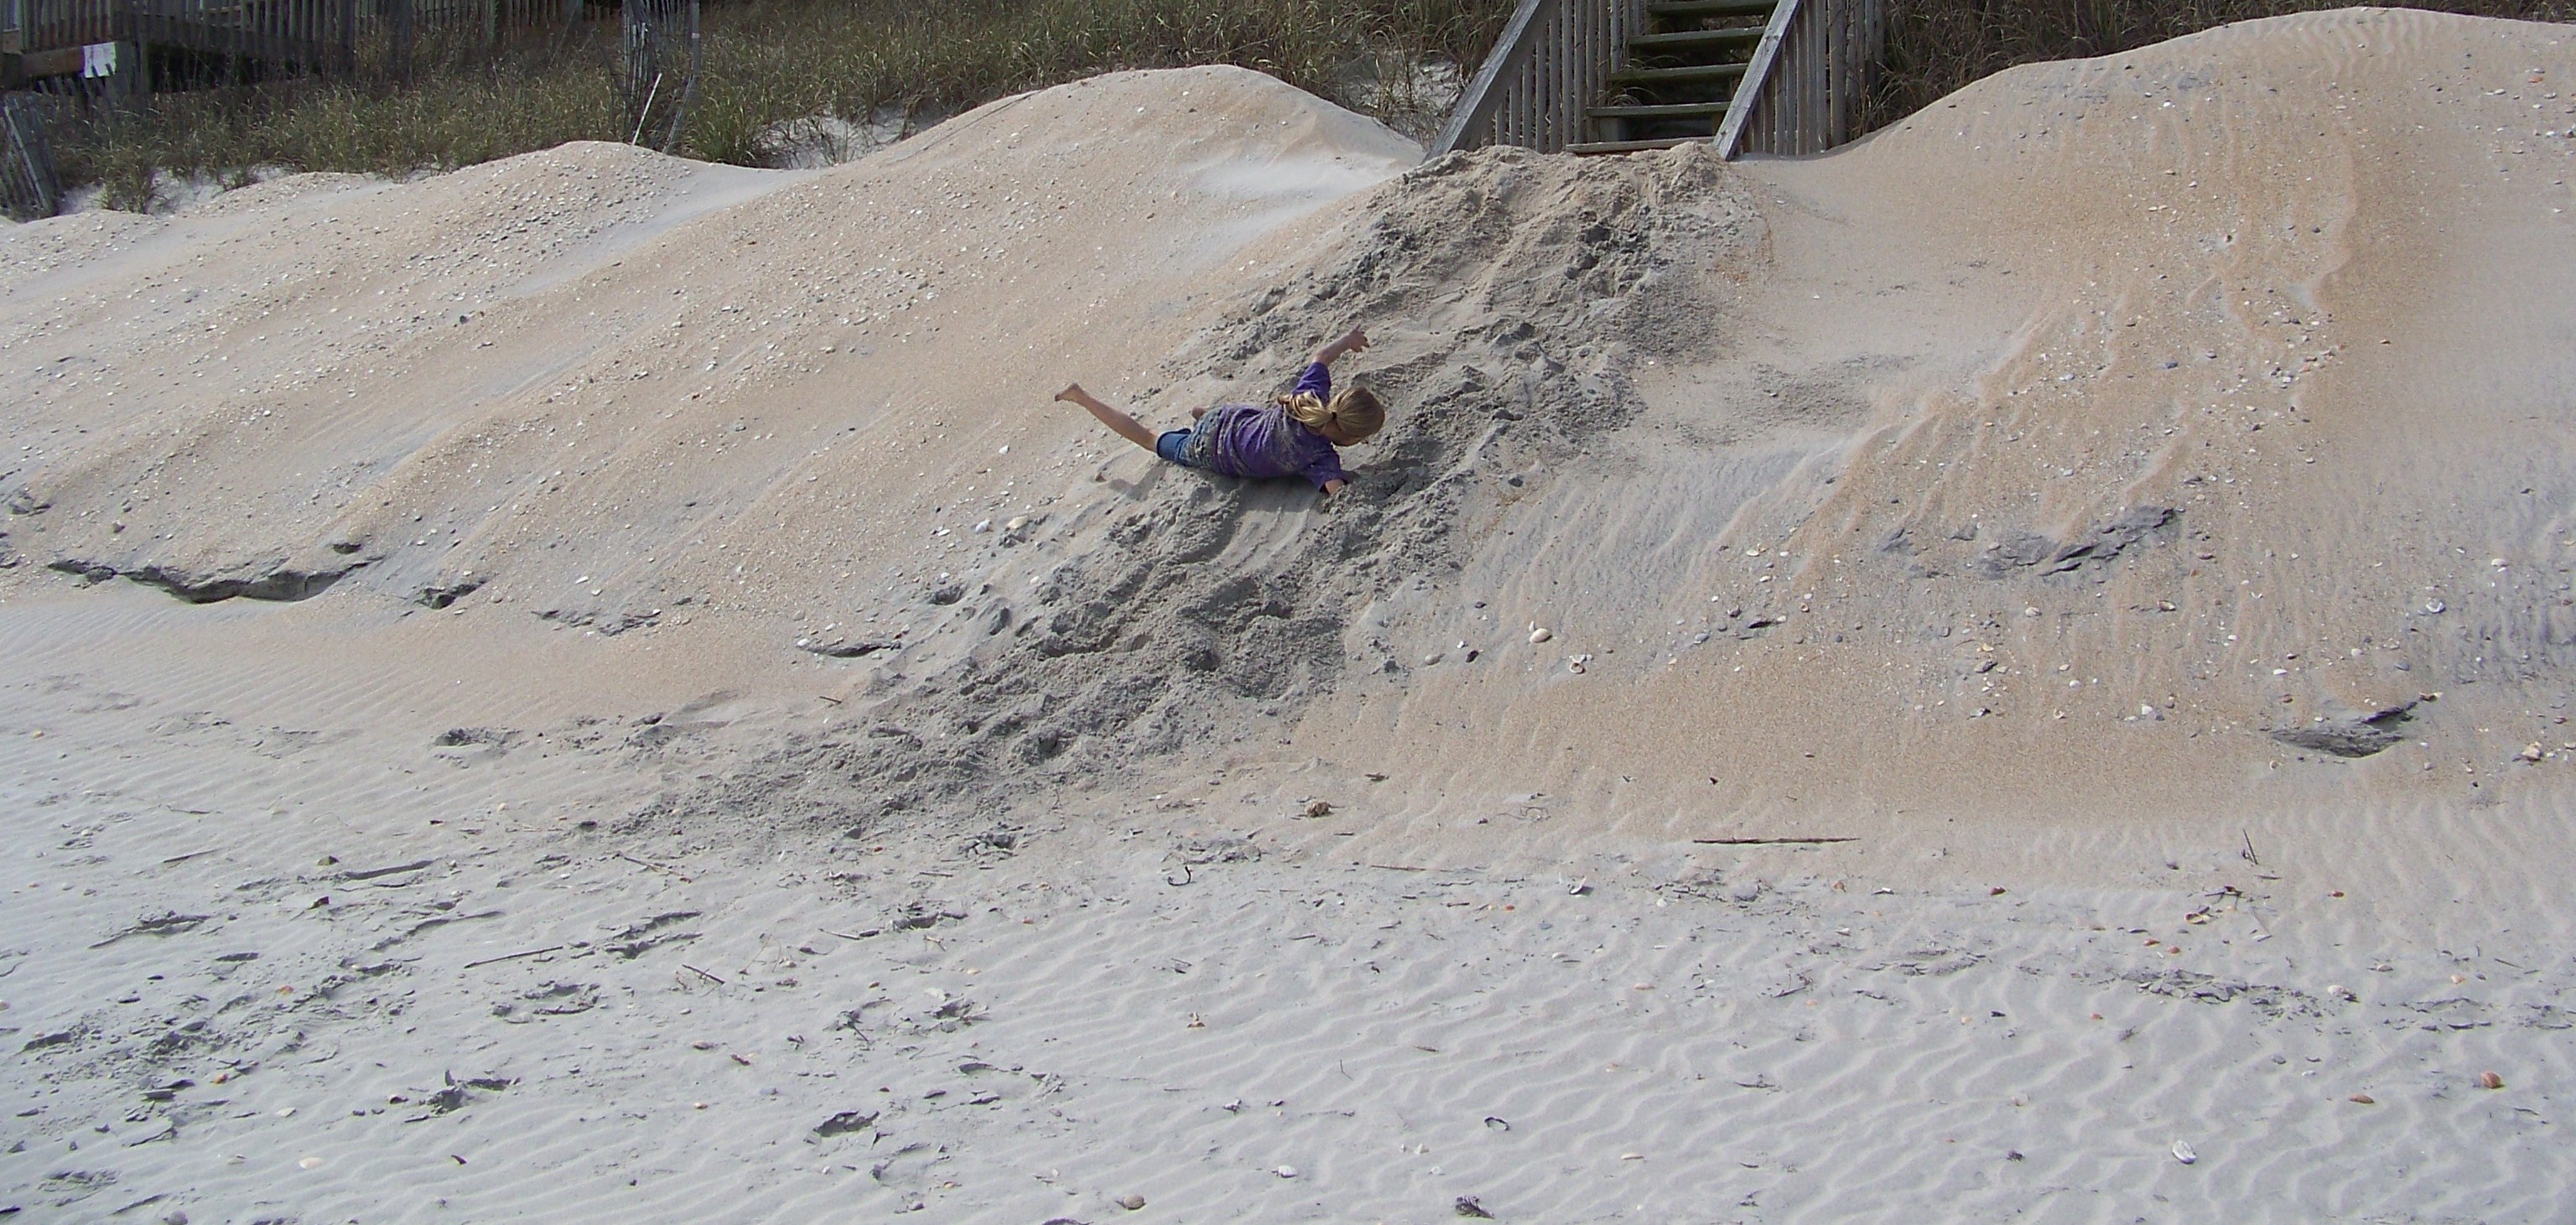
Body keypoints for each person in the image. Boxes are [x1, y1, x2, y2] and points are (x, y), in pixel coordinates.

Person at [1054, 328, 1384, 495]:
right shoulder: (1321, 457)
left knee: (1262, 419)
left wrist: (1348, 340)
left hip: (1229, 417)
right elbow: (1335, 491)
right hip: (1212, 450)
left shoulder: (1309, 398)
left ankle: (1203, 414)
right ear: (1350, 435)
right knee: (1149, 438)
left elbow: (1321, 356)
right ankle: (1083, 398)